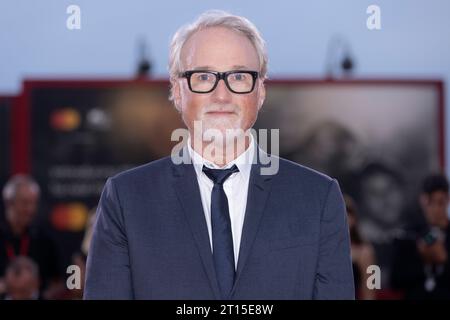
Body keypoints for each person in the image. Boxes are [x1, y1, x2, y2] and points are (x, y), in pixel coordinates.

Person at [84, 10, 354, 300]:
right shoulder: (126, 200)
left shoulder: (317, 198)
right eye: (203, 77)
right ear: (177, 90)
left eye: (238, 76)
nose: (221, 95)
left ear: (260, 91)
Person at [0, 175, 61, 299]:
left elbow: (58, 281)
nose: (30, 209)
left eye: (33, 203)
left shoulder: (45, 240)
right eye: (25, 203)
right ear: (8, 202)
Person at [391, 173, 450, 299]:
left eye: (440, 202)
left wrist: (444, 260)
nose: (435, 208)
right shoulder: (408, 235)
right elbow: (395, 280)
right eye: (430, 202)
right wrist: (421, 258)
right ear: (422, 200)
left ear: (447, 199)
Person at [344, 194, 376, 300]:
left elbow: (373, 286)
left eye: (346, 215)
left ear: (354, 219)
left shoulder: (366, 251)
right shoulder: (323, 250)